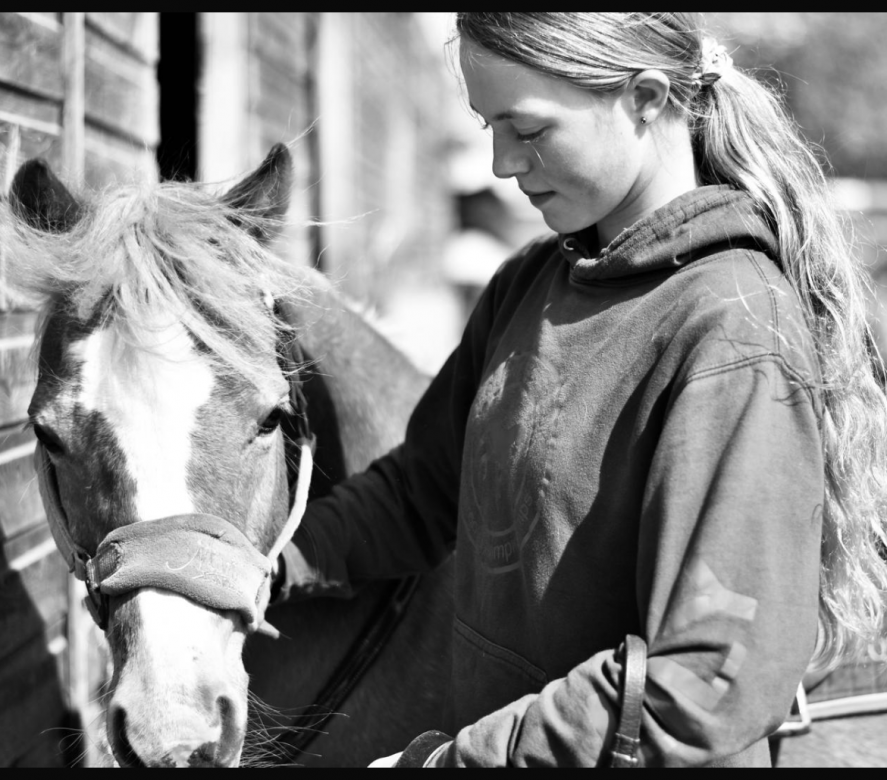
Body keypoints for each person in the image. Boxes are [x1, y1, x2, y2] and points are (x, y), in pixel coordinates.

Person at [272, 12, 887, 767]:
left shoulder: (730, 331)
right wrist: (271, 564)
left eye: (526, 130)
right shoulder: (527, 285)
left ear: (647, 99)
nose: (499, 163)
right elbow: (423, 490)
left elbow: (702, 686)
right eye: (486, 125)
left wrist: (448, 763)